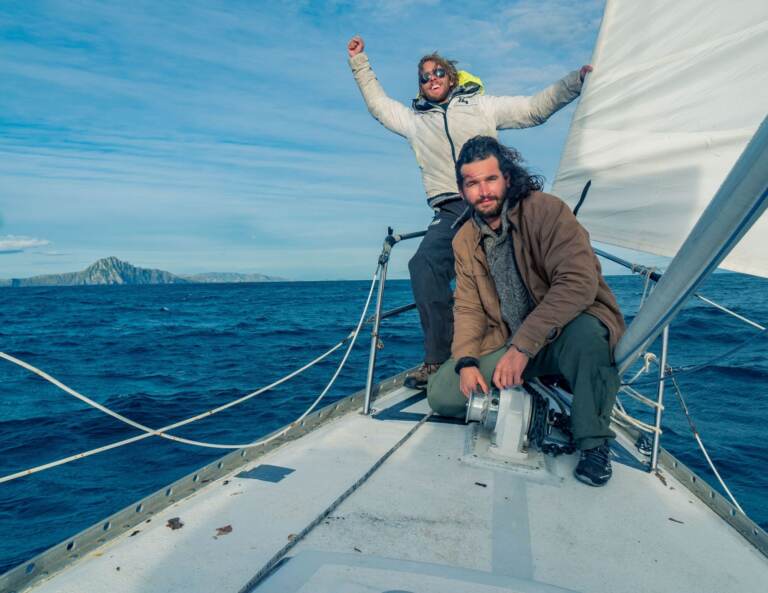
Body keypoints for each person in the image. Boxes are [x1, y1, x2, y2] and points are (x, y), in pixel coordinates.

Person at [347, 35, 592, 388]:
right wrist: (359, 61)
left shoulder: (482, 107)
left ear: (452, 77)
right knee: (424, 265)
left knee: (531, 262)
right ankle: (439, 360)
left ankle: (552, 350)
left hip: (498, 199)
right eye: (424, 76)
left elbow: (534, 109)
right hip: (451, 207)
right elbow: (378, 105)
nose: (431, 78)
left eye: (438, 72)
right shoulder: (415, 122)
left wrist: (576, 81)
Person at [427, 136, 625, 486]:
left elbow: (579, 282)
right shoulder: (464, 239)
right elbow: (469, 306)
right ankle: (535, 395)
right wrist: (467, 361)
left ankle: (593, 442)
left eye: (490, 179)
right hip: (509, 339)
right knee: (441, 394)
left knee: (590, 339)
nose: (483, 191)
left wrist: (523, 348)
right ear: (462, 190)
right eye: (472, 183)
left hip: (564, 330)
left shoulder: (546, 210)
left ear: (507, 177)